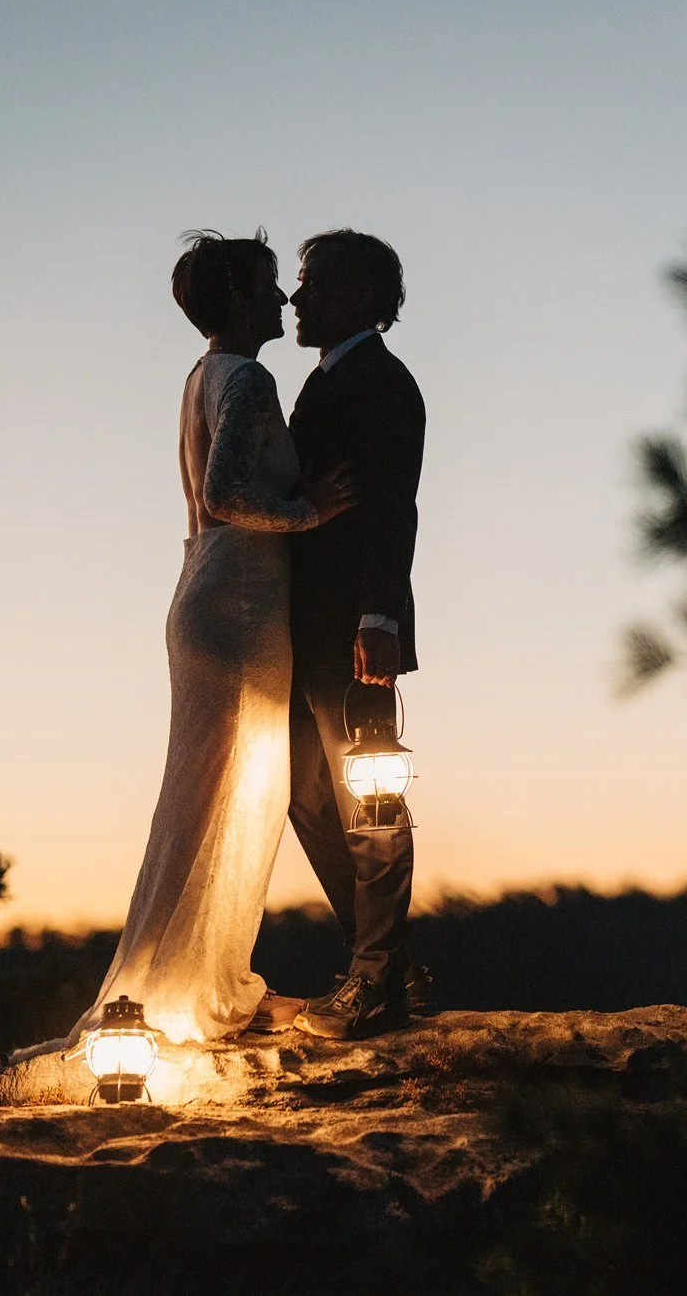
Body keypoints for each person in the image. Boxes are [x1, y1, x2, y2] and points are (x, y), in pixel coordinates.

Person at [71, 230, 355, 1046]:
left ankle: (202, 975)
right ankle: (192, 990)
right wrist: (310, 512)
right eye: (269, 285)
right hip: (236, 607)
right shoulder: (251, 378)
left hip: (208, 596)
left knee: (211, 801)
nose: (282, 300)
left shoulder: (203, 375)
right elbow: (229, 490)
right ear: (236, 299)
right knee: (235, 797)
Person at [277, 229, 428, 1041]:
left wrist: (380, 618)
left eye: (314, 284)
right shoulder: (324, 382)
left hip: (354, 635)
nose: (298, 299)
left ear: (363, 297)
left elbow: (394, 507)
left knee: (370, 800)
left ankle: (375, 981)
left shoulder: (385, 384)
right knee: (304, 793)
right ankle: (382, 958)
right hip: (299, 630)